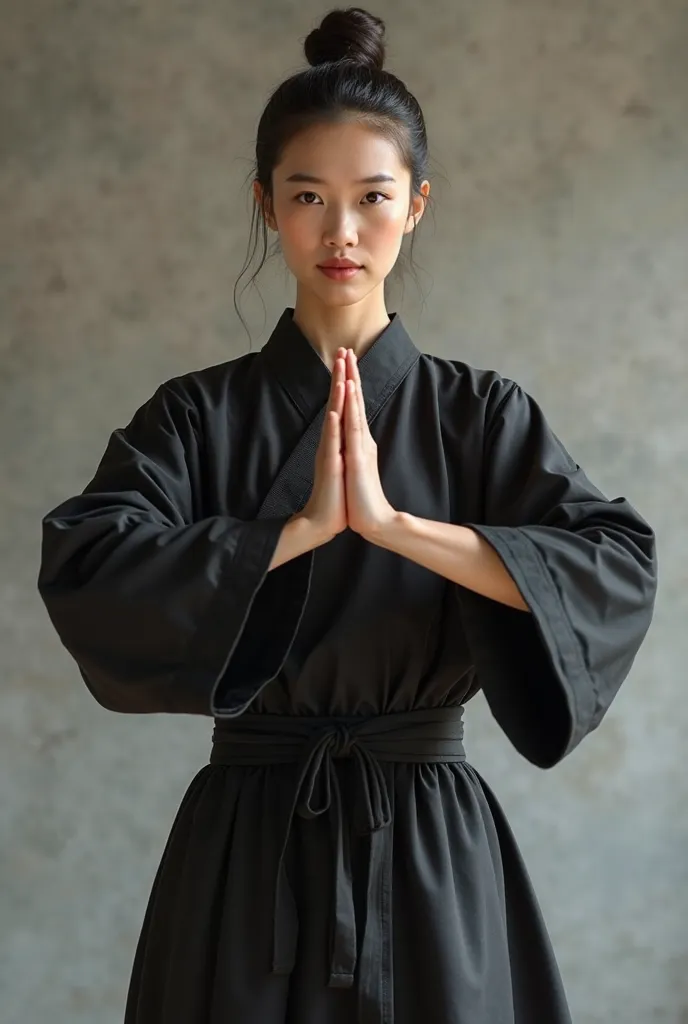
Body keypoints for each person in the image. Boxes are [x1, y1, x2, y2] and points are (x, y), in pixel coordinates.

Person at [37, 7, 658, 1024]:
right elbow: (89, 560)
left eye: (371, 197)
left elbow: (611, 564)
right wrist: (295, 533)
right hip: (246, 844)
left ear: (415, 205)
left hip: (429, 845)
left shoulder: (479, 414)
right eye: (307, 196)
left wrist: (391, 523)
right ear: (266, 207)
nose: (340, 231)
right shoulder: (197, 416)